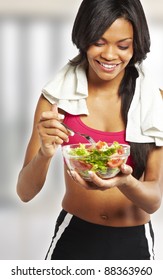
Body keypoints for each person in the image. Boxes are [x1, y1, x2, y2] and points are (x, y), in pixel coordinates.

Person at [17, 0, 163, 260]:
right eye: (98, 42)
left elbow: (153, 200)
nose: (109, 55)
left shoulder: (154, 102)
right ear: (83, 38)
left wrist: (125, 181)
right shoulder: (56, 100)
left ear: (136, 45)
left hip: (134, 242)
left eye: (123, 46)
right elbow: (25, 193)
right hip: (74, 234)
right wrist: (45, 153)